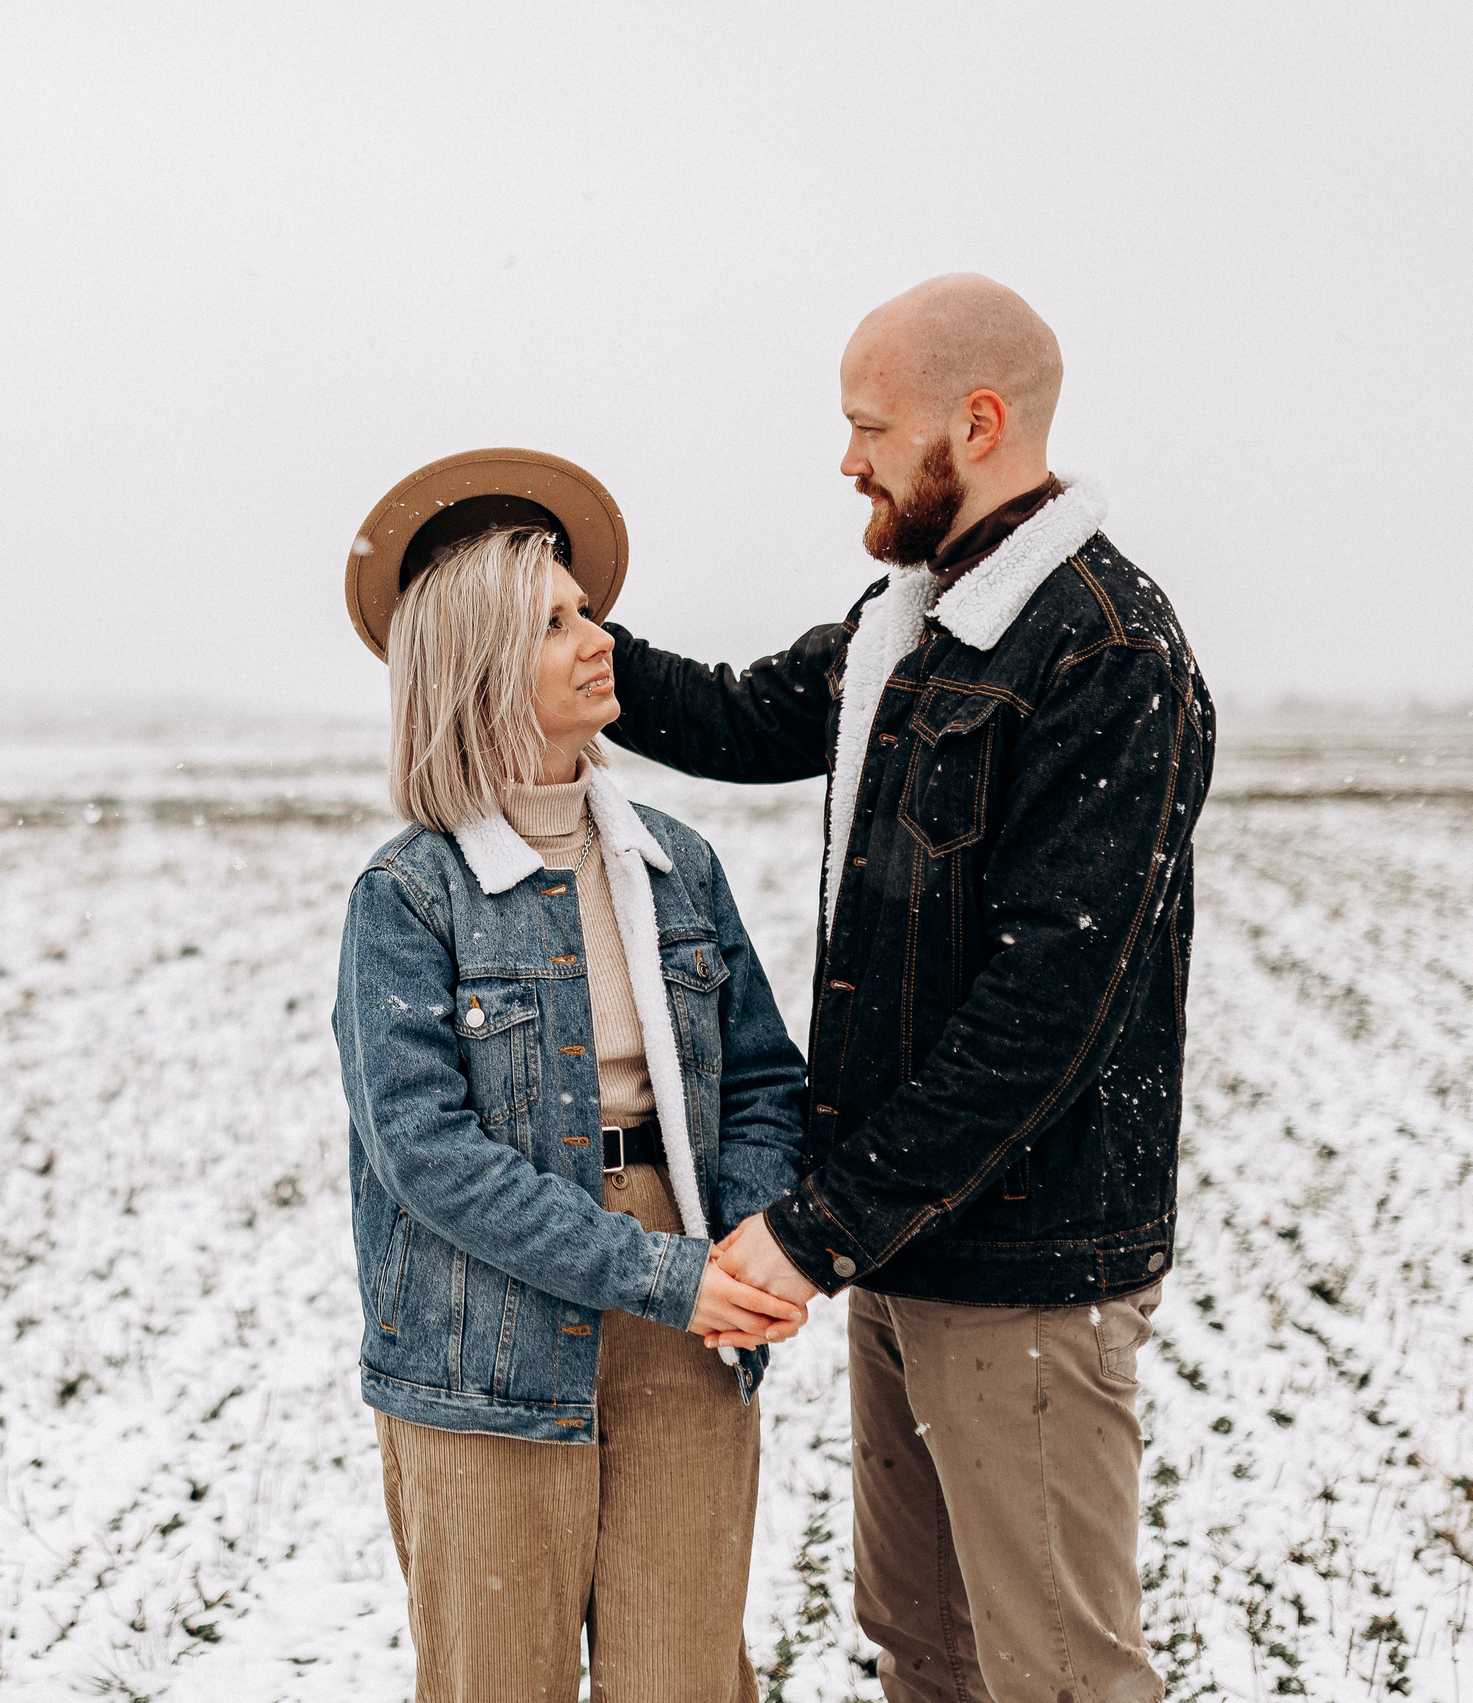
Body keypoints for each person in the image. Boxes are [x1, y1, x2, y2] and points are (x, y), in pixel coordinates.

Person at [604, 275, 1216, 1702]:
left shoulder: (1106, 652)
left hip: (1025, 1268)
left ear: (979, 421)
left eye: (869, 427)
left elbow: (1044, 1013)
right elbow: (744, 710)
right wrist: (554, 624)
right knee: (926, 1648)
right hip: (905, 1241)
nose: (848, 459)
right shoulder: (909, 622)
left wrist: (819, 1226)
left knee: (1055, 1671)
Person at [333, 458, 812, 1702]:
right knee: (499, 1680)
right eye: (555, 623)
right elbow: (427, 1154)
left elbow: (764, 1081)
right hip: (480, 1334)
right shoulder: (405, 897)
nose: (600, 642)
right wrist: (665, 1273)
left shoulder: (677, 865)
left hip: (688, 1308)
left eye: (586, 610)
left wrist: (743, 1244)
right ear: (482, 662)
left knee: (683, 1679)